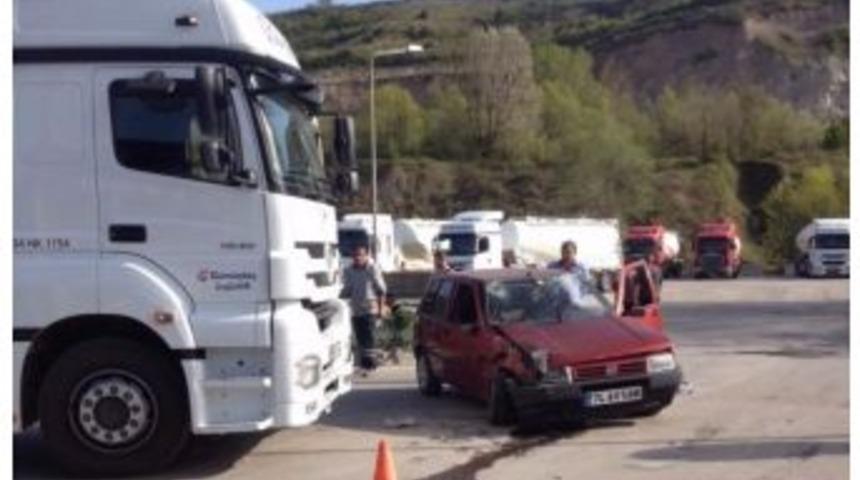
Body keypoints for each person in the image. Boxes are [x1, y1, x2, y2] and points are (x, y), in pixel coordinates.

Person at [340, 245, 387, 371]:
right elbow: (347, 290)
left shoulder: (372, 268)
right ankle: (364, 363)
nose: (358, 258)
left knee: (369, 336)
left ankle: (372, 363)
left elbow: (381, 290)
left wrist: (381, 309)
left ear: (366, 256)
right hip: (356, 308)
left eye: (361, 255)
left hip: (370, 307)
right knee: (360, 335)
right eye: (355, 255)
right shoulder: (349, 270)